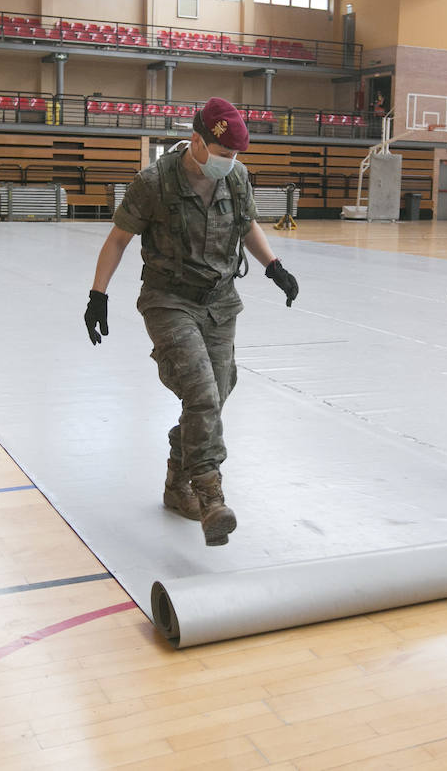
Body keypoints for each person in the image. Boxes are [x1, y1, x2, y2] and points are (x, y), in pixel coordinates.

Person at [85, 97, 299, 546]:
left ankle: (175, 485)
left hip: (220, 302)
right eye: (223, 155)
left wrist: (274, 266)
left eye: (236, 156)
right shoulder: (154, 183)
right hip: (168, 301)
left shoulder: (236, 178)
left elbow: (247, 226)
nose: (230, 163)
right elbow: (119, 239)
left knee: (216, 395)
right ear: (197, 141)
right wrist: (97, 296)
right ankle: (210, 496)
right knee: (201, 390)